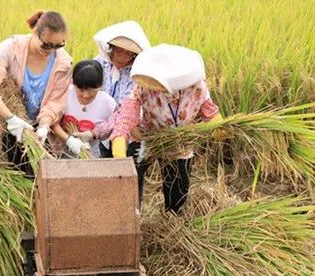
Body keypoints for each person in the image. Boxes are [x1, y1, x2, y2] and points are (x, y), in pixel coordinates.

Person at [109, 44, 221, 213]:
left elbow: (209, 111)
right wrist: (119, 145)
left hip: (179, 144)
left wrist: (221, 126)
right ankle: (131, 216)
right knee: (131, 180)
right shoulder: (143, 86)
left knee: (177, 190)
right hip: (146, 138)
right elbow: (127, 114)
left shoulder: (196, 87)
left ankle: (171, 220)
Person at [0, 10, 72, 175]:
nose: (51, 50)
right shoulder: (11, 48)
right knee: (19, 174)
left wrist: (44, 124)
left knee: (42, 175)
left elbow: (56, 102)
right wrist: (11, 118)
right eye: (47, 44)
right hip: (10, 126)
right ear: (35, 32)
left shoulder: (63, 62)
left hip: (41, 130)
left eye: (58, 45)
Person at [78, 21, 150, 158]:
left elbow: (125, 110)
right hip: (101, 131)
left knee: (127, 171)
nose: (123, 56)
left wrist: (98, 131)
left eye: (129, 53)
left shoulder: (136, 72)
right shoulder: (100, 62)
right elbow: (85, 85)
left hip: (128, 132)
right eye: (120, 50)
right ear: (112, 47)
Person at [51, 60, 116, 158]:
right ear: (74, 83)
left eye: (91, 90)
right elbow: (52, 121)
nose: (85, 95)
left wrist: (93, 133)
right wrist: (68, 140)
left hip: (90, 156)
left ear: (100, 85)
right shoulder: (65, 93)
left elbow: (116, 125)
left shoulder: (108, 103)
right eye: (80, 89)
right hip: (59, 153)